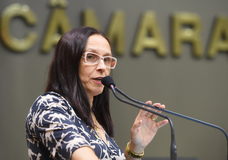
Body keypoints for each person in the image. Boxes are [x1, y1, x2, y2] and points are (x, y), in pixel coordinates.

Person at [25, 26, 169, 160]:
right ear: (69, 62)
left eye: (106, 59)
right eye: (91, 57)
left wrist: (135, 147)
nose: (102, 67)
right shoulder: (49, 105)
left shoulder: (94, 117)